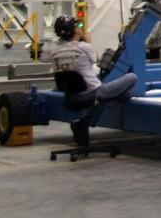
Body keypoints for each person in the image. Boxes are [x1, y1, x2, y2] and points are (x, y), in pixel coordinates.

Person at [50, 14, 138, 145]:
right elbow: (95, 60)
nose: (81, 28)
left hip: (72, 95)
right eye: (79, 26)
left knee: (117, 92)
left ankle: (81, 123)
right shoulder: (84, 47)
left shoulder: (55, 52)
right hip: (93, 92)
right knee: (132, 78)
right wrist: (86, 40)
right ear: (75, 30)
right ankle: (82, 123)